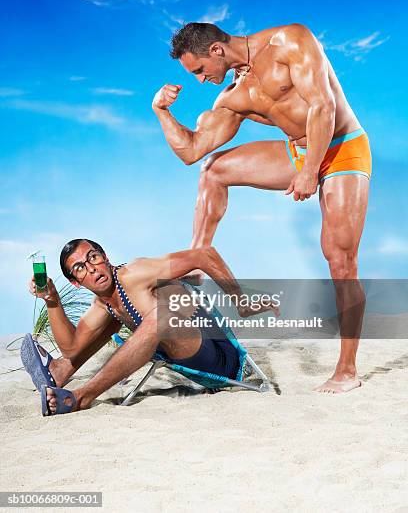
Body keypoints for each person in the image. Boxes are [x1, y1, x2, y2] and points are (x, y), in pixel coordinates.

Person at [152, 22, 372, 394]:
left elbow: (324, 105)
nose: (202, 81)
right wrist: (161, 111)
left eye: (200, 70)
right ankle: (197, 264)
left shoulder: (289, 41)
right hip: (299, 151)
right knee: (213, 169)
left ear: (217, 51)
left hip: (342, 146)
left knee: (339, 259)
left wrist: (308, 172)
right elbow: (191, 151)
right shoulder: (234, 95)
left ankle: (347, 369)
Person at [22, 238, 249, 415]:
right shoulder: (102, 306)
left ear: (105, 257)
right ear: (76, 282)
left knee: (161, 316)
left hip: (220, 361)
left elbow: (205, 255)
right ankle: (59, 372)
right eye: (80, 268)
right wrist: (52, 299)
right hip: (190, 365)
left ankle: (81, 397)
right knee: (117, 322)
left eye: (93, 257)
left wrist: (241, 303)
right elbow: (71, 349)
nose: (91, 268)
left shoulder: (136, 272)